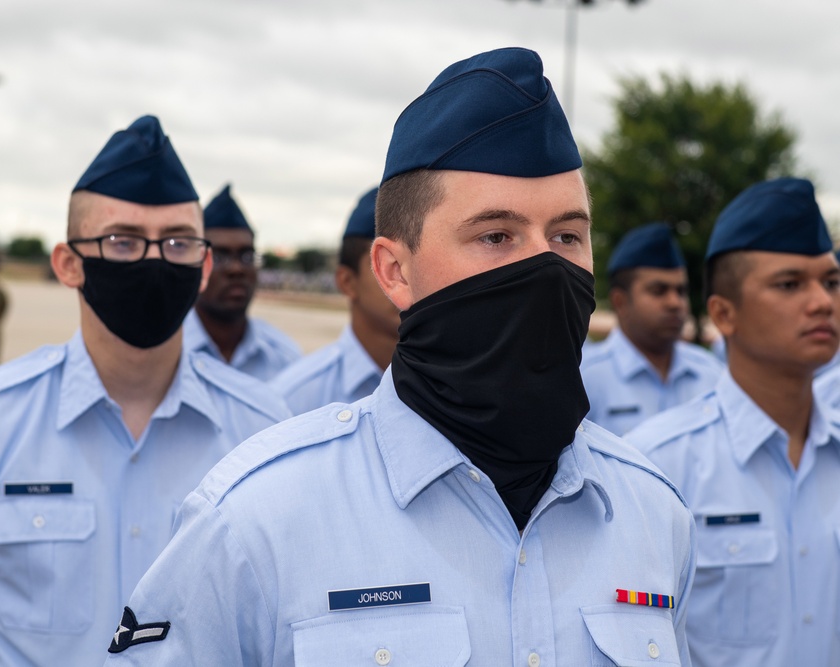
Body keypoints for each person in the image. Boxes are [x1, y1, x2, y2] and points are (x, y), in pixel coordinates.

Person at [105, 49, 694, 665]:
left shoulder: (653, 516)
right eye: (496, 236)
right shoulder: (257, 521)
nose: (544, 267)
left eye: (567, 236)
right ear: (394, 271)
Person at [0, 115, 291, 667]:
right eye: (123, 240)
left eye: (178, 242)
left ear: (203, 265)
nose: (154, 260)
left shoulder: (266, 436)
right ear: (68, 263)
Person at [625, 177, 840, 666]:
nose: (822, 302)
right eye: (790, 284)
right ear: (724, 314)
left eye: (831, 281)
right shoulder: (655, 467)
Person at [580, 222, 722, 435]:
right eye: (659, 291)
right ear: (620, 302)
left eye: (681, 291)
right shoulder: (585, 380)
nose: (675, 303)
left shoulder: (711, 374)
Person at [272, 187, 400, 414]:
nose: (410, 278)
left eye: (417, 261)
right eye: (392, 262)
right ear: (347, 282)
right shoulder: (290, 401)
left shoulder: (459, 386)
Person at [182, 184, 301, 381]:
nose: (236, 269)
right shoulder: (168, 354)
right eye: (220, 257)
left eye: (246, 256)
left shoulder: (284, 358)